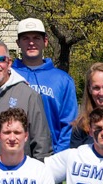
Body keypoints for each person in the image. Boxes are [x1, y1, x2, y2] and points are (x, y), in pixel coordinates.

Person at [0, 40, 52, 160]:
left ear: (9, 63)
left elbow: (41, 143)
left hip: (19, 173)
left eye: (1, 59)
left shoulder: (29, 95)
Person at [12, 19, 79, 151]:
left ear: (45, 42)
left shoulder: (62, 79)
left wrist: (58, 157)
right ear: (18, 43)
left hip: (52, 156)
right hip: (13, 156)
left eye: (36, 38)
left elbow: (69, 124)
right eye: (26, 38)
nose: (31, 43)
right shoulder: (8, 76)